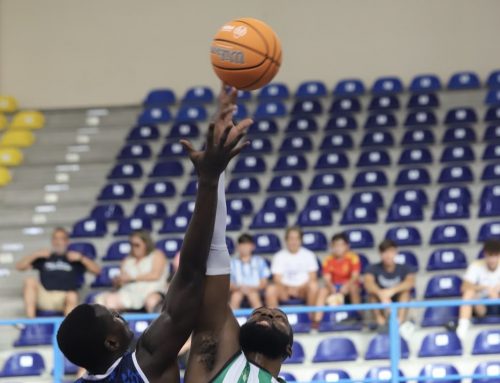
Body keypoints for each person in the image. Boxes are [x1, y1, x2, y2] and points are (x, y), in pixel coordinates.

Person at [56, 84, 251, 383]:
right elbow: (190, 274)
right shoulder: (144, 362)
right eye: (115, 317)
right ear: (111, 342)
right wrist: (210, 178)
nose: (122, 317)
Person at [184, 90, 293, 383]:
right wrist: (215, 171)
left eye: (277, 317)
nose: (268, 315)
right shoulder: (214, 353)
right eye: (260, 313)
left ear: (289, 348)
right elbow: (216, 248)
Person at [15, 227, 101, 317]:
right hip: (45, 296)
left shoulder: (74, 258)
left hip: (64, 297)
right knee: (29, 281)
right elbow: (19, 266)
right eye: (55, 238)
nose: (58, 242)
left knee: (72, 295)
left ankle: (67, 329)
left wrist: (81, 258)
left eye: (61, 239)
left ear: (67, 242)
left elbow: (98, 271)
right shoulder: (45, 257)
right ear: (52, 241)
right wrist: (35, 254)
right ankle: (30, 323)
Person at [95, 230, 168, 312]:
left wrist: (132, 278)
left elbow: (155, 275)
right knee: (106, 300)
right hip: (129, 293)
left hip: (152, 291)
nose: (134, 248)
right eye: (131, 245)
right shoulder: (127, 260)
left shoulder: (157, 255)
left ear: (146, 244)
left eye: (137, 245)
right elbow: (121, 281)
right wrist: (118, 281)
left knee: (152, 301)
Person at [364, 239, 415, 332]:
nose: (388, 255)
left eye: (391, 252)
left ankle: (399, 322)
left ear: (396, 252)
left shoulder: (405, 268)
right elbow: (368, 284)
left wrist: (390, 291)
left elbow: (410, 283)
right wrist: (381, 294)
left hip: (397, 298)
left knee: (405, 293)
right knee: (372, 296)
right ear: (380, 254)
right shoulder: (372, 268)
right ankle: (381, 323)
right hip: (380, 300)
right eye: (384, 252)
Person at [265, 226, 319, 308]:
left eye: (296, 238)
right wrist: (289, 288)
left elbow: (312, 277)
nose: (294, 241)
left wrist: (298, 288)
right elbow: (277, 279)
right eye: (291, 238)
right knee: (270, 289)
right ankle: (274, 320)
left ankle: (311, 318)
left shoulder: (309, 255)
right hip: (284, 290)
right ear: (286, 240)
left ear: (301, 240)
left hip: (303, 290)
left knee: (313, 286)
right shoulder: (278, 256)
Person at [313, 232, 361, 324]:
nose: (338, 248)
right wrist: (331, 287)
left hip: (348, 285)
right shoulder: (328, 259)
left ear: (347, 246)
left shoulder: (353, 257)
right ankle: (317, 321)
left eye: (341, 245)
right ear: (332, 247)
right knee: (322, 291)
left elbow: (355, 276)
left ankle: (359, 317)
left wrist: (347, 285)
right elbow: (327, 278)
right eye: (335, 245)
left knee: (354, 288)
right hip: (333, 286)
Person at [456, 239, 500, 339]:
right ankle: (463, 326)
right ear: (485, 255)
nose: (492, 260)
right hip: (482, 306)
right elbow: (464, 287)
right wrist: (483, 287)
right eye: (490, 256)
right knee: (469, 293)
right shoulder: (476, 265)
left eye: (495, 256)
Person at [230, 233, 271, 309]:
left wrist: (252, 289)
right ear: (238, 247)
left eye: (247, 244)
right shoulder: (232, 263)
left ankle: (260, 320)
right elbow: (229, 283)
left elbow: (264, 282)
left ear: (252, 246)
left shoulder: (260, 261)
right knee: (235, 296)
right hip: (238, 290)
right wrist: (239, 288)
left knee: (253, 295)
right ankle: (232, 320)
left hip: (256, 291)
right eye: (242, 244)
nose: (245, 247)